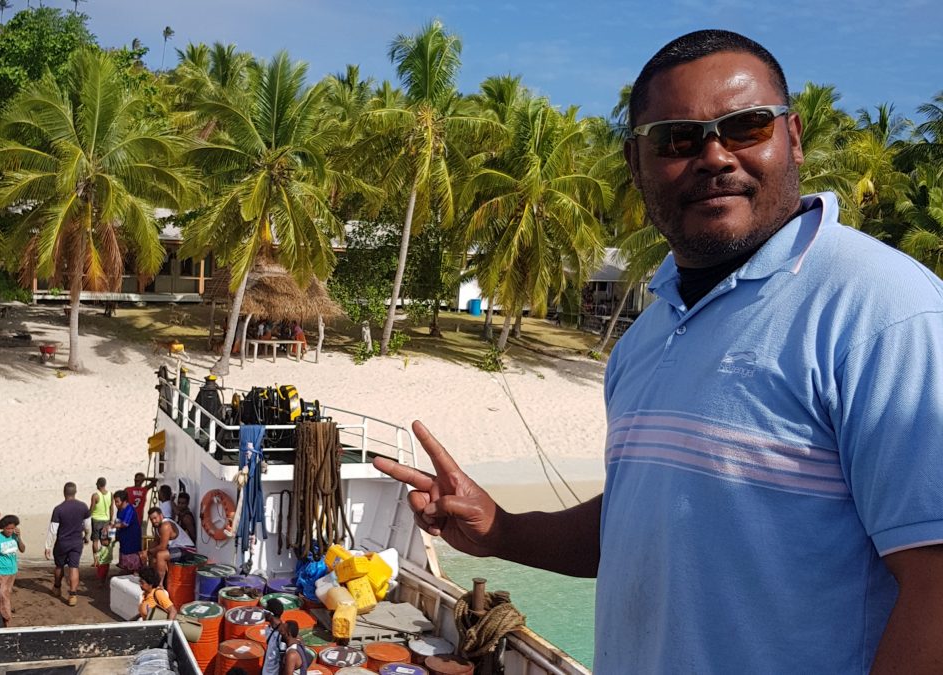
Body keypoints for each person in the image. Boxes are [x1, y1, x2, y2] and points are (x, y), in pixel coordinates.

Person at [376, 29, 943, 674]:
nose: (715, 157)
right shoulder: (647, 335)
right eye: (677, 139)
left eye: (746, 127)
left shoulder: (882, 312)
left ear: (795, 137)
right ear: (636, 163)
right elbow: (634, 525)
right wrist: (502, 530)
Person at [45, 482, 90, 607]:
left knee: (59, 566)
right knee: (74, 567)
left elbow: (53, 529)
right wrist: (86, 536)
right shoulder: (83, 506)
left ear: (64, 492)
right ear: (75, 492)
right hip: (77, 541)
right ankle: (73, 595)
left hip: (62, 542)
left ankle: (57, 588)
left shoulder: (59, 509)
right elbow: (87, 525)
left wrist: (47, 546)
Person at [144, 506, 194, 588]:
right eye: (151, 519)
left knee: (160, 555)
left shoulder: (166, 525)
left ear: (161, 516)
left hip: (187, 550)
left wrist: (148, 551)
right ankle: (152, 578)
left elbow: (162, 547)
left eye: (155, 518)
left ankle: (160, 584)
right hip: (175, 549)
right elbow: (156, 543)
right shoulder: (157, 527)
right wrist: (149, 552)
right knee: (152, 546)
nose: (154, 521)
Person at [0, 515, 24, 624]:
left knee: (5, 594)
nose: (10, 531)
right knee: (3, 595)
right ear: (3, 528)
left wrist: (19, 537)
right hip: (1, 571)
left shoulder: (14, 537)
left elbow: (22, 549)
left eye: (12, 528)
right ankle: (7, 618)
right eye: (8, 528)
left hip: (12, 571)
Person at [112, 490, 143, 574]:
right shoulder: (119, 510)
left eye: (117, 502)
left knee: (132, 557)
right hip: (124, 537)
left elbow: (125, 523)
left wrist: (112, 526)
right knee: (124, 554)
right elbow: (118, 521)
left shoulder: (130, 510)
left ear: (124, 501)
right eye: (115, 502)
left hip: (132, 537)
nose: (116, 504)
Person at [260, 598, 285, 675]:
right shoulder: (268, 628)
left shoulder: (282, 635)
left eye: (265, 611)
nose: (263, 613)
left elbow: (284, 660)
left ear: (270, 614)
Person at [90, 477, 113, 554]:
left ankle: (96, 560)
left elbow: (92, 508)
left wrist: (87, 516)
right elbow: (111, 508)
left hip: (96, 520)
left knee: (95, 541)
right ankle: (104, 559)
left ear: (98, 485)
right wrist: (111, 519)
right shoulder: (111, 494)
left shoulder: (95, 495)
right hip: (106, 520)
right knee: (105, 540)